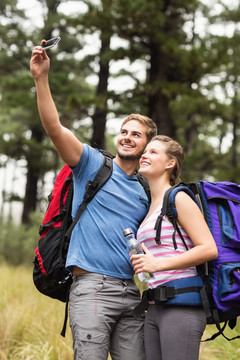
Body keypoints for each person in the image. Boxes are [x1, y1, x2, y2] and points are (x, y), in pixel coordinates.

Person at [30, 43, 157, 360]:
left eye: (136, 134)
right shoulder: (92, 165)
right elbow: (55, 128)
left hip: (131, 292)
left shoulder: (147, 189)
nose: (127, 137)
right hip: (92, 289)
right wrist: (41, 79)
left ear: (148, 145)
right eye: (124, 131)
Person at [130, 135, 218, 360]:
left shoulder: (178, 198)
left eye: (153, 152)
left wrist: (158, 264)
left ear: (170, 163)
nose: (144, 155)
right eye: (145, 151)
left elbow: (208, 248)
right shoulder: (151, 206)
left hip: (181, 307)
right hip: (154, 306)